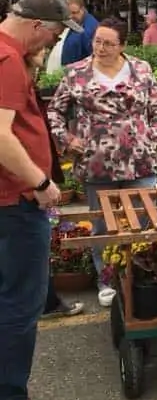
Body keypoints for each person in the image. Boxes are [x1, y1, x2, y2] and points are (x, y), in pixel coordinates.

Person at [0, 0, 83, 400]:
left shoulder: (11, 56)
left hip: (8, 201)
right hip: (15, 204)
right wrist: (40, 181)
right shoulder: (8, 61)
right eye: (51, 36)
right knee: (20, 302)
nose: (50, 44)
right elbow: (1, 136)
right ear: (35, 25)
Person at [47, 18, 157, 309]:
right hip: (96, 162)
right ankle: (108, 279)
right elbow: (54, 112)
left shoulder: (141, 70)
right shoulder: (76, 73)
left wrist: (152, 139)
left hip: (139, 160)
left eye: (109, 43)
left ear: (123, 45)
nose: (101, 47)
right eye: (97, 41)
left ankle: (143, 275)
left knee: (144, 220)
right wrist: (68, 141)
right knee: (102, 224)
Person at [24, 47, 84, 319]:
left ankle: (47, 302)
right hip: (23, 187)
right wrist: (38, 182)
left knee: (35, 245)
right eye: (41, 47)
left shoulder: (26, 77)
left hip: (29, 183)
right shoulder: (12, 73)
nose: (46, 50)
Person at [60, 0, 98, 65]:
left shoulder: (89, 29)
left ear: (82, 9)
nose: (70, 16)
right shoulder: (77, 23)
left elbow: (94, 56)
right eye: (68, 13)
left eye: (74, 13)